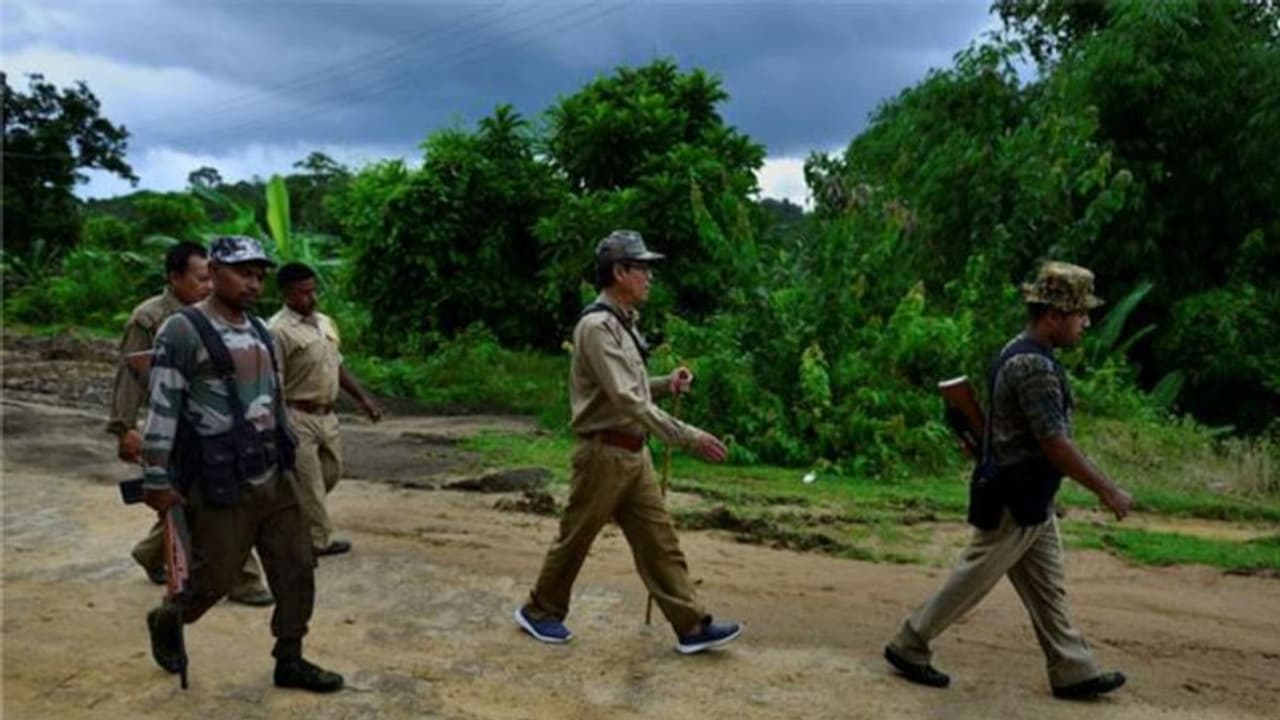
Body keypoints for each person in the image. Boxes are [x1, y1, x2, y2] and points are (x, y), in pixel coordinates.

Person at [884, 261, 1134, 700]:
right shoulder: (1035, 368)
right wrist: (1107, 490)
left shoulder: (1017, 352)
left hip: (1025, 494)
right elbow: (1054, 443)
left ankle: (1072, 668)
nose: (1086, 323)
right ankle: (910, 642)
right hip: (1016, 497)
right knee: (973, 578)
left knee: (1047, 587)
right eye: (1080, 314)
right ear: (1053, 315)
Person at [513, 229, 742, 655]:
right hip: (603, 451)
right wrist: (687, 437)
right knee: (576, 537)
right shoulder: (597, 327)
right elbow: (623, 398)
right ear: (619, 272)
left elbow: (628, 388)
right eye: (642, 268)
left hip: (632, 453)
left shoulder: (621, 323)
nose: (649, 277)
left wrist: (664, 383)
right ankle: (540, 611)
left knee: (659, 540)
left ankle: (691, 625)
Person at [140, 236, 342, 692]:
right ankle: (171, 615)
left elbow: (275, 399)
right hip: (219, 478)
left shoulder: (259, 330)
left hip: (274, 471)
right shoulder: (182, 329)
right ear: (214, 271)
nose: (253, 283)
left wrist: (290, 452)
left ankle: (289, 658)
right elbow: (163, 405)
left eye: (258, 275)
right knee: (216, 578)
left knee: (297, 570)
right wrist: (156, 476)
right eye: (242, 273)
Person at [107, 241, 272, 606]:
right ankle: (242, 578)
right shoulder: (151, 318)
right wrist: (125, 427)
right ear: (174, 278)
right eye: (200, 279)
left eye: (209, 278)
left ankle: (152, 552)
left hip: (216, 431)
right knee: (214, 500)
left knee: (203, 500)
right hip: (173, 427)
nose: (208, 286)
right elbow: (129, 374)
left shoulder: (226, 318)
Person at [268, 262, 382, 557]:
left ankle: (290, 516)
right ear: (287, 293)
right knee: (309, 482)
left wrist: (362, 398)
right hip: (297, 414)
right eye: (304, 292)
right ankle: (317, 541)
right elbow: (273, 379)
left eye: (313, 290)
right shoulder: (277, 330)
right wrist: (277, 422)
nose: (312, 297)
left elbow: (337, 364)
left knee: (330, 473)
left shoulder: (324, 323)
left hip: (327, 415)